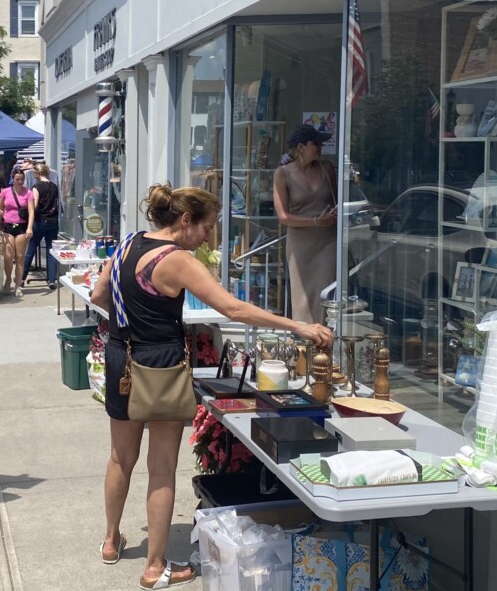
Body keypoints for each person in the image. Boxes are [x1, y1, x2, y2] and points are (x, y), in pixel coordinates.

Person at [90, 184, 333, 590]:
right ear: (185, 220)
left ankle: (112, 541)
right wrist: (298, 326)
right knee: (162, 469)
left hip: (120, 358)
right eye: (207, 227)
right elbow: (233, 308)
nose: (208, 237)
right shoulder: (177, 260)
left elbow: (100, 294)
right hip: (161, 364)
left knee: (120, 457)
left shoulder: (129, 243)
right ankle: (154, 567)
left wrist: (134, 321)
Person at [273, 124, 338, 325]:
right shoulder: (282, 174)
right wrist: (316, 221)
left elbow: (337, 201)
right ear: (301, 147)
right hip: (301, 243)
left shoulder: (326, 168)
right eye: (316, 143)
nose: (321, 147)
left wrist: (333, 216)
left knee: (327, 290)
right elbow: (283, 216)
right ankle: (307, 342)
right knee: (302, 297)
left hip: (328, 239)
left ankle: (328, 335)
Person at [0, 167, 34, 298]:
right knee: (8, 256)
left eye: (21, 179)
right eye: (17, 179)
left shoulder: (28, 193)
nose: (19, 182)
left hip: (22, 226)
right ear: (12, 178)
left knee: (20, 257)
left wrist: (29, 227)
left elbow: (31, 212)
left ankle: (18, 285)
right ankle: (8, 280)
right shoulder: (5, 192)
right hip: (8, 225)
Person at [21, 161, 60, 290]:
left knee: (31, 249)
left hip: (40, 221)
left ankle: (22, 277)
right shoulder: (54, 186)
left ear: (37, 173)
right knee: (51, 250)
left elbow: (35, 205)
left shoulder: (36, 187)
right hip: (53, 221)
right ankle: (52, 280)